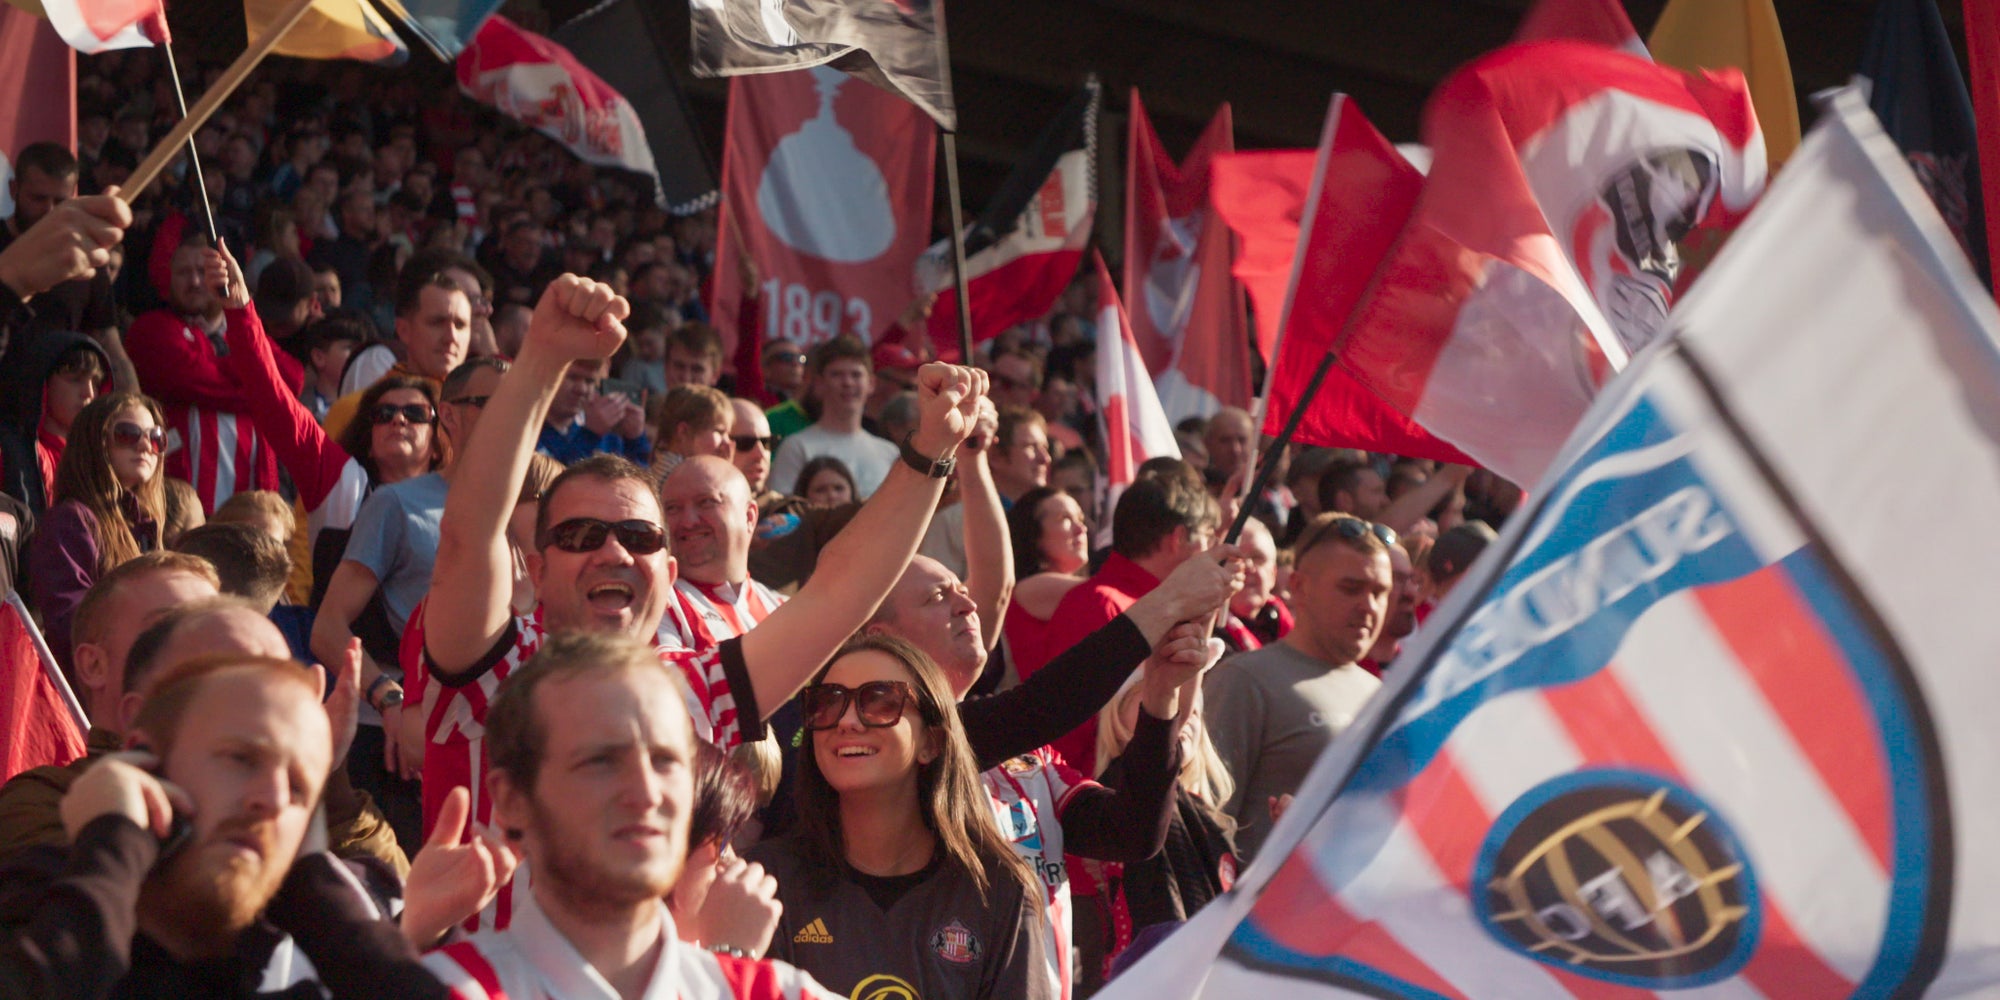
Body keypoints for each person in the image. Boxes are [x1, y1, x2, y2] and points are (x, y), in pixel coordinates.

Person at [419, 273, 989, 929]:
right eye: (580, 536)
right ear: (539, 569)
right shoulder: (490, 670)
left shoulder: (699, 685)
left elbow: (841, 592)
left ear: (667, 570)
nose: (612, 553)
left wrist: (931, 455)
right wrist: (543, 357)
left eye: (637, 535)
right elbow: (468, 536)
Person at [0, 654, 445, 998]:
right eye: (241, 758)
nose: (271, 800)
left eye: (297, 788)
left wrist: (310, 882)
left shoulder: (304, 961)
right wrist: (111, 850)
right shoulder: (38, 900)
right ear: (144, 763)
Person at [420, 633, 834, 999]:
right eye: (600, 761)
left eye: (665, 760)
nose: (646, 793)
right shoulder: (438, 989)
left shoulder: (779, 992)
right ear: (511, 800)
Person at [753, 636, 1052, 1000]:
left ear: (932, 742)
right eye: (827, 703)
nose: (846, 721)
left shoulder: (997, 891)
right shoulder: (763, 880)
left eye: (880, 701)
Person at [0, 552, 218, 861]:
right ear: (94, 665)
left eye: (218, 629)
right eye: (172, 627)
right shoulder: (41, 800)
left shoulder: (268, 780)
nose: (212, 650)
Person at [1204, 514, 1392, 860]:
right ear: (1300, 587)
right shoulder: (1244, 681)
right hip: (1258, 907)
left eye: (1380, 592)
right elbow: (1204, 824)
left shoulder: (1382, 694)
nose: (1369, 606)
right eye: (1351, 588)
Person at [1032, 471, 1221, 773]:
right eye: (1208, 538)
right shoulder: (1100, 604)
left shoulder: (1126, 603)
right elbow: (1067, 733)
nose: (1211, 552)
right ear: (1179, 538)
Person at [1076, 647, 1239, 993]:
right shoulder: (1108, 796)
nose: (1180, 719)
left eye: (1192, 712)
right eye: (1165, 703)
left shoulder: (1205, 815)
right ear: (1117, 716)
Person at [123, 233, 294, 513]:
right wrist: (258, 383)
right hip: (182, 507)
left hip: (254, 506)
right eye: (183, 273)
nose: (194, 282)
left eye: (203, 272)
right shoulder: (152, 329)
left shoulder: (247, 329)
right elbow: (189, 381)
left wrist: (240, 373)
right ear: (167, 280)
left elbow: (292, 379)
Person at [29, 392, 168, 672]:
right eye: (127, 434)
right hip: (95, 694)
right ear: (95, 444)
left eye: (155, 437)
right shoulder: (70, 521)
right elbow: (73, 627)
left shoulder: (145, 527)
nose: (145, 445)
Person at [656, 456, 786, 654]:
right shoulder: (656, 604)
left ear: (749, 517)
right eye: (672, 508)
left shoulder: (781, 608)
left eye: (706, 502)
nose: (688, 521)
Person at [767, 336, 898, 499]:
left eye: (856, 375)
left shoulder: (890, 453)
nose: (848, 383)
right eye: (837, 374)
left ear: (871, 383)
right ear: (819, 384)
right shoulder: (796, 448)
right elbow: (782, 514)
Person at [0, 331, 109, 515]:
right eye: (75, 379)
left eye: (97, 383)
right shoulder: (12, 455)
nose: (89, 393)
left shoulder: (106, 459)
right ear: (41, 385)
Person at [1001, 486, 1091, 678]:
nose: (1081, 529)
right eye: (1064, 519)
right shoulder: (1032, 587)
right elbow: (1111, 593)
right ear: (1033, 535)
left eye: (1080, 519)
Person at [1221, 518, 1292, 652]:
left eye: (1257, 558)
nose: (1248, 566)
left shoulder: (1294, 630)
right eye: (1235, 558)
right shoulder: (1207, 636)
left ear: (1273, 574)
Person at [648, 384, 734, 480]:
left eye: (728, 434)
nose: (727, 442)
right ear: (683, 431)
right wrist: (726, 471)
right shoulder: (680, 476)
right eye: (720, 432)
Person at [1359, 538, 1419, 675]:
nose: (1410, 592)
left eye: (1412, 579)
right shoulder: (1332, 671)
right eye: (1396, 579)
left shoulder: (1419, 676)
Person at [987, 406, 1052, 506]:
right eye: (1030, 447)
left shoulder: (1045, 516)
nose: (1045, 459)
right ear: (996, 457)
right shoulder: (966, 516)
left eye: (1045, 447)